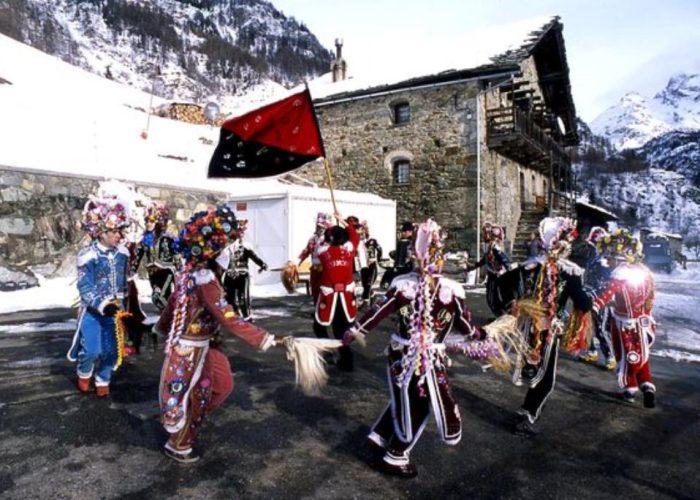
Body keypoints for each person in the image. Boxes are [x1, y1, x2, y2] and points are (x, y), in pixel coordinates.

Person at [343, 219, 491, 478]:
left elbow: (375, 314)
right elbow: (467, 327)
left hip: (400, 356)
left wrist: (354, 331)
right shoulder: (450, 294)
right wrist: (484, 335)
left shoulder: (402, 287)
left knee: (404, 398)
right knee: (421, 404)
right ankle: (396, 455)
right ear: (441, 258)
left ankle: (379, 435)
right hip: (428, 361)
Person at [155, 206, 282, 463]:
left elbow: (173, 307)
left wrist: (161, 327)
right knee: (197, 393)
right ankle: (180, 441)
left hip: (206, 345)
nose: (227, 253)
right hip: (192, 350)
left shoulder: (193, 274)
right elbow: (229, 317)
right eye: (224, 247)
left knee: (222, 386)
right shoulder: (204, 280)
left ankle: (189, 423)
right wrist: (264, 338)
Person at [511, 217, 594, 436]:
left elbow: (511, 291)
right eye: (567, 240)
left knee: (535, 369)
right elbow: (583, 303)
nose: (569, 245)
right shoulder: (569, 272)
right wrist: (591, 300)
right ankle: (527, 415)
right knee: (546, 379)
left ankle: (527, 411)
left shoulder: (529, 266)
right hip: (547, 329)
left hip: (526, 326)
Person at [67, 196, 131, 397]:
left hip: (115, 313)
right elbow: (84, 285)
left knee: (112, 351)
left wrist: (126, 304)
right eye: (113, 231)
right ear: (100, 232)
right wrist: (103, 304)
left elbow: (125, 281)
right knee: (92, 350)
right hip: (94, 312)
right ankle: (84, 372)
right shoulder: (88, 254)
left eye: (120, 231)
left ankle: (103, 379)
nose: (119, 236)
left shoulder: (123, 253)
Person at [593, 230, 657, 408]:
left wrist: (596, 305)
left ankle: (630, 388)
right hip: (644, 321)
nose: (609, 263)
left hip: (624, 322)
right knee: (641, 355)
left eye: (611, 259)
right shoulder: (645, 274)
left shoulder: (620, 275)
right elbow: (650, 297)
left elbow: (608, 293)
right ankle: (647, 385)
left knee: (626, 354)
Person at [314, 215, 360, 371]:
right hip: (346, 298)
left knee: (319, 326)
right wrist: (344, 221)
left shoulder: (323, 252)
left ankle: (328, 352)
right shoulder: (349, 250)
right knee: (342, 330)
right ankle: (347, 360)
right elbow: (354, 236)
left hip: (329, 297)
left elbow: (319, 245)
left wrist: (327, 230)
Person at [578, 226, 616, 370]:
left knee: (600, 329)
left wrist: (599, 297)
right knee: (587, 326)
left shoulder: (604, 262)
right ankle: (592, 351)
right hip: (589, 295)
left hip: (600, 300)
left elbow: (607, 283)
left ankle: (610, 356)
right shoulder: (594, 259)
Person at [131, 201, 179, 311]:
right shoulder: (145, 239)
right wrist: (132, 270)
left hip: (166, 271)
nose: (148, 223)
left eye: (151, 221)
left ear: (158, 222)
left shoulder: (167, 237)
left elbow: (175, 252)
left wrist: (180, 269)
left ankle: (170, 317)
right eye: (146, 221)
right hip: (152, 272)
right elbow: (139, 256)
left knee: (160, 296)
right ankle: (166, 318)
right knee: (156, 298)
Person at [220, 219, 268, 321]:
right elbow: (221, 261)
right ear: (234, 231)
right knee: (230, 297)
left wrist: (262, 264)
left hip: (242, 274)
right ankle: (233, 316)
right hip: (230, 274)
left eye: (242, 231)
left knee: (243, 296)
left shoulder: (246, 246)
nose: (241, 233)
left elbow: (253, 256)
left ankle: (247, 316)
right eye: (239, 230)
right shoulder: (227, 246)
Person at [467, 222, 511, 317]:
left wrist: (508, 271)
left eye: (487, 233)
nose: (484, 235)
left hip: (497, 276)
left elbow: (505, 260)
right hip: (492, 275)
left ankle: (501, 316)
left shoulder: (495, 247)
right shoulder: (490, 246)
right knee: (491, 298)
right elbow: (485, 260)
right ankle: (499, 315)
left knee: (494, 297)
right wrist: (473, 266)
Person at [298, 212, 332, 302]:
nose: (318, 228)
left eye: (321, 226)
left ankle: (325, 309)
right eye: (318, 226)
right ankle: (317, 308)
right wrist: (298, 262)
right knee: (315, 289)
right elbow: (306, 251)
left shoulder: (329, 240)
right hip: (314, 268)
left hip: (325, 269)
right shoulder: (312, 239)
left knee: (325, 289)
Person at [380, 221, 414, 288]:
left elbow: (402, 257)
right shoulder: (406, 241)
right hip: (405, 266)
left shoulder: (405, 242)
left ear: (409, 232)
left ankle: (387, 285)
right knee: (389, 272)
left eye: (404, 231)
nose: (402, 233)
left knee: (391, 273)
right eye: (402, 231)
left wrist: (398, 265)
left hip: (405, 267)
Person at [361, 221, 383, 303]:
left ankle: (365, 301)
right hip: (363, 265)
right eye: (363, 229)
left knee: (369, 283)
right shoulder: (359, 241)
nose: (364, 232)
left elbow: (379, 249)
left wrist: (378, 259)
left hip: (371, 264)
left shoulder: (372, 240)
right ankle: (372, 295)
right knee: (364, 283)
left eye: (366, 229)